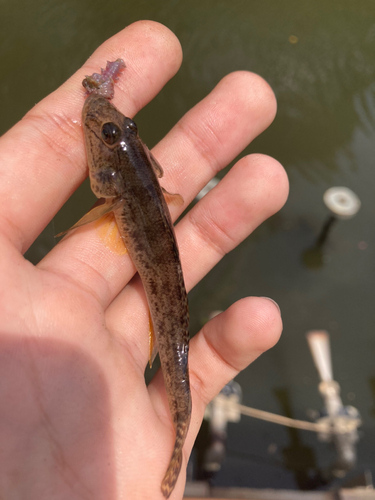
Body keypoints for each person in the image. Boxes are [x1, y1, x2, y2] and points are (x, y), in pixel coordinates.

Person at [0, 20, 288, 500]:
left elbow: (108, 183)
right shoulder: (131, 169)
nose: (114, 128)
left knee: (174, 342)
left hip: (153, 240)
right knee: (175, 342)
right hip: (150, 229)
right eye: (115, 132)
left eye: (120, 131)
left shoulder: (113, 179)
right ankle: (176, 446)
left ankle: (176, 449)